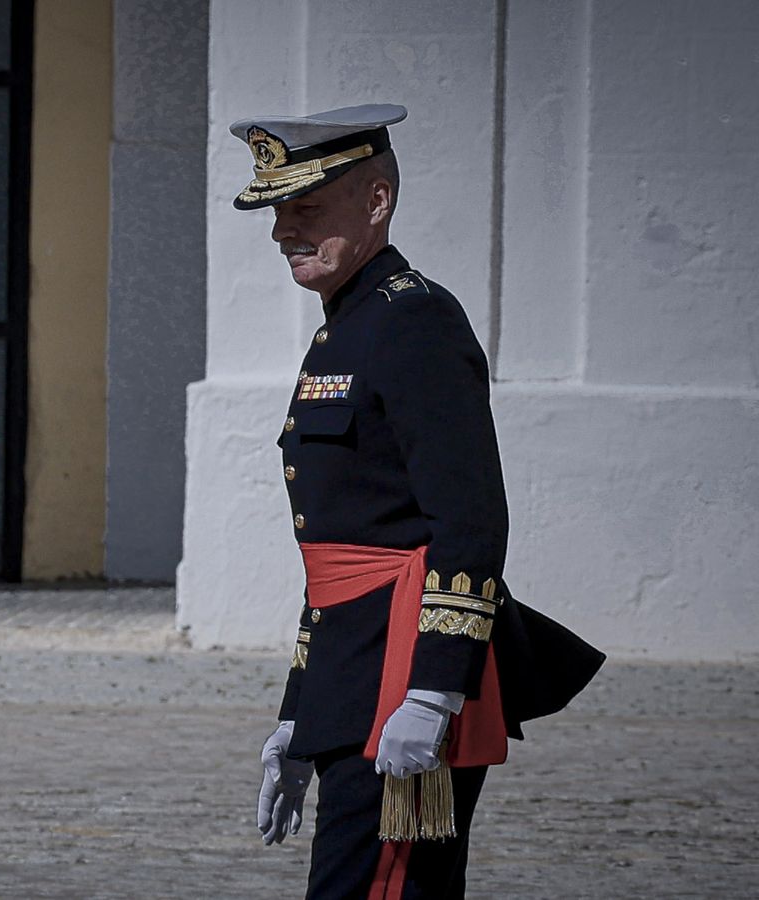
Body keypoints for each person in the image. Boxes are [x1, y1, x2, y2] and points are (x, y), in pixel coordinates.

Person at [233, 104, 605, 899]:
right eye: (276, 213)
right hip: (358, 674)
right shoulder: (348, 326)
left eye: (305, 208)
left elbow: (466, 523)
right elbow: (342, 551)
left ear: (376, 202)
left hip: (402, 674)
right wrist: (301, 711)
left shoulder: (414, 320)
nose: (282, 233)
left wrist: (434, 690)